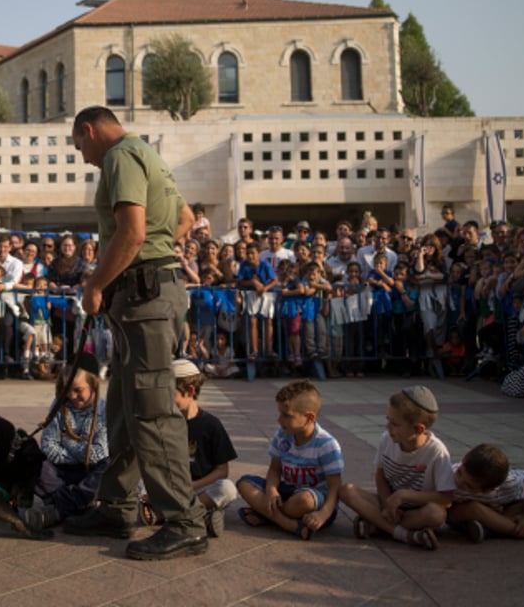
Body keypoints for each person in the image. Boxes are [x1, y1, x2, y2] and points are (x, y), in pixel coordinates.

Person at [63, 105, 208, 561]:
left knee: (151, 409)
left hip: (144, 296)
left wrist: (95, 284)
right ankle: (118, 506)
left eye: (79, 146)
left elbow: (131, 231)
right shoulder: (148, 154)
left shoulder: (119, 156)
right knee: (124, 407)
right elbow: (184, 218)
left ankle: (184, 522)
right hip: (149, 291)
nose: (84, 158)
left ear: (88, 130)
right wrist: (157, 254)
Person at [339, 385, 454, 551]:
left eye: (395, 424)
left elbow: (446, 498)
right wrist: (387, 504)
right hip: (388, 503)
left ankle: (379, 526)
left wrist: (404, 495)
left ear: (419, 429)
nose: (388, 427)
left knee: (436, 515)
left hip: (417, 510)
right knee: (346, 491)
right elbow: (380, 476)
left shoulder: (437, 452)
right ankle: (404, 534)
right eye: (388, 420)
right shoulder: (387, 439)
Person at [236, 379, 342, 540]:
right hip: (286, 492)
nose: (280, 420)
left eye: (287, 416)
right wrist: (271, 490)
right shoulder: (282, 434)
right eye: (280, 414)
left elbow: (335, 487)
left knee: (305, 500)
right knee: (244, 484)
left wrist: (323, 514)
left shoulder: (326, 444)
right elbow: (275, 469)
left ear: (309, 417)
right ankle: (290, 525)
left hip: (315, 502)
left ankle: (267, 515)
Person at [21, 352, 109, 532]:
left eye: (78, 390)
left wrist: (66, 441)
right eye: (67, 389)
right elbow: (48, 445)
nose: (71, 395)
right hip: (62, 474)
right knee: (32, 458)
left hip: (90, 474)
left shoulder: (104, 410)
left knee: (109, 465)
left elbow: (98, 454)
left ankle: (59, 509)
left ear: (95, 384)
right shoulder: (59, 405)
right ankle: (80, 502)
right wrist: (79, 451)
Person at [150, 358, 237, 538]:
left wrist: (192, 486)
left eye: (170, 395)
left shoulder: (211, 425)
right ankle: (200, 518)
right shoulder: (163, 423)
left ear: (189, 391)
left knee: (227, 489)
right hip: (169, 488)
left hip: (197, 489)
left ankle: (170, 515)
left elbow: (222, 471)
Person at [447, 443, 524, 542]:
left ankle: (490, 530)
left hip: (501, 508)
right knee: (474, 508)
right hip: (465, 510)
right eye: (459, 472)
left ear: (490, 489)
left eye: (468, 485)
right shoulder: (450, 477)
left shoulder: (511, 483)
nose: (459, 481)